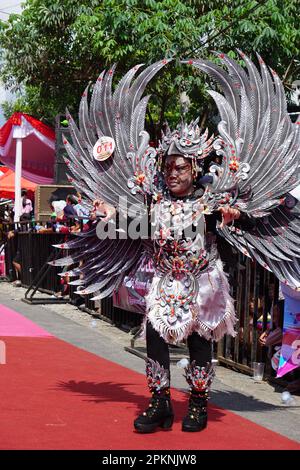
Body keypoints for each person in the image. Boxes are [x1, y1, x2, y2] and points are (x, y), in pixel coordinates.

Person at [56, 56, 300, 435]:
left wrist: (238, 213)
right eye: (167, 166)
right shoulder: (154, 202)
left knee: (201, 345)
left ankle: (199, 404)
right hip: (164, 283)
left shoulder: (211, 204)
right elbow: (135, 229)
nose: (172, 173)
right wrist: (108, 218)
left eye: (180, 167)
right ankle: (160, 402)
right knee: (154, 339)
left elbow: (250, 215)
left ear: (194, 167)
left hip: (203, 283)